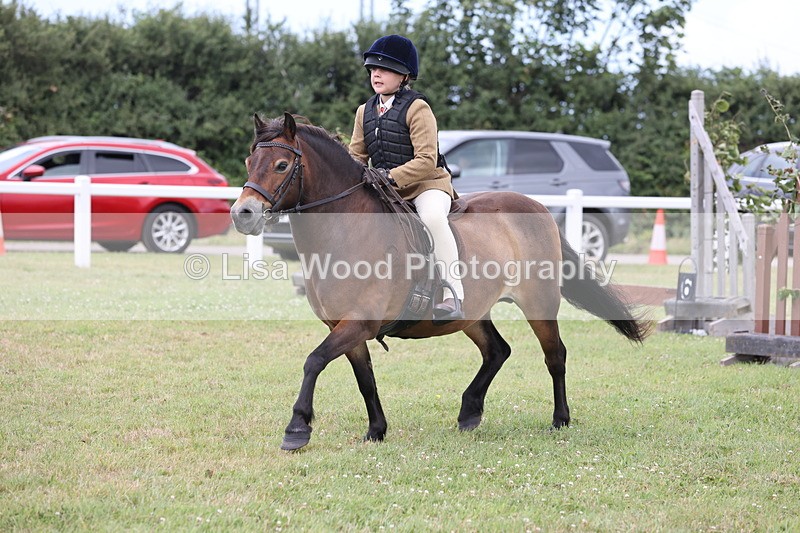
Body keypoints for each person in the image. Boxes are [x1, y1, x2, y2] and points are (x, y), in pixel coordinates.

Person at [349, 34, 465, 323]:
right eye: (373, 68)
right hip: (386, 189)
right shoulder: (364, 111)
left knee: (433, 220)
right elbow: (357, 157)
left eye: (385, 69)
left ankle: (453, 292)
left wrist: (388, 176)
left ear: (403, 76)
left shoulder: (418, 108)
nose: (376, 73)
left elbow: (426, 160)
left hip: (426, 185)